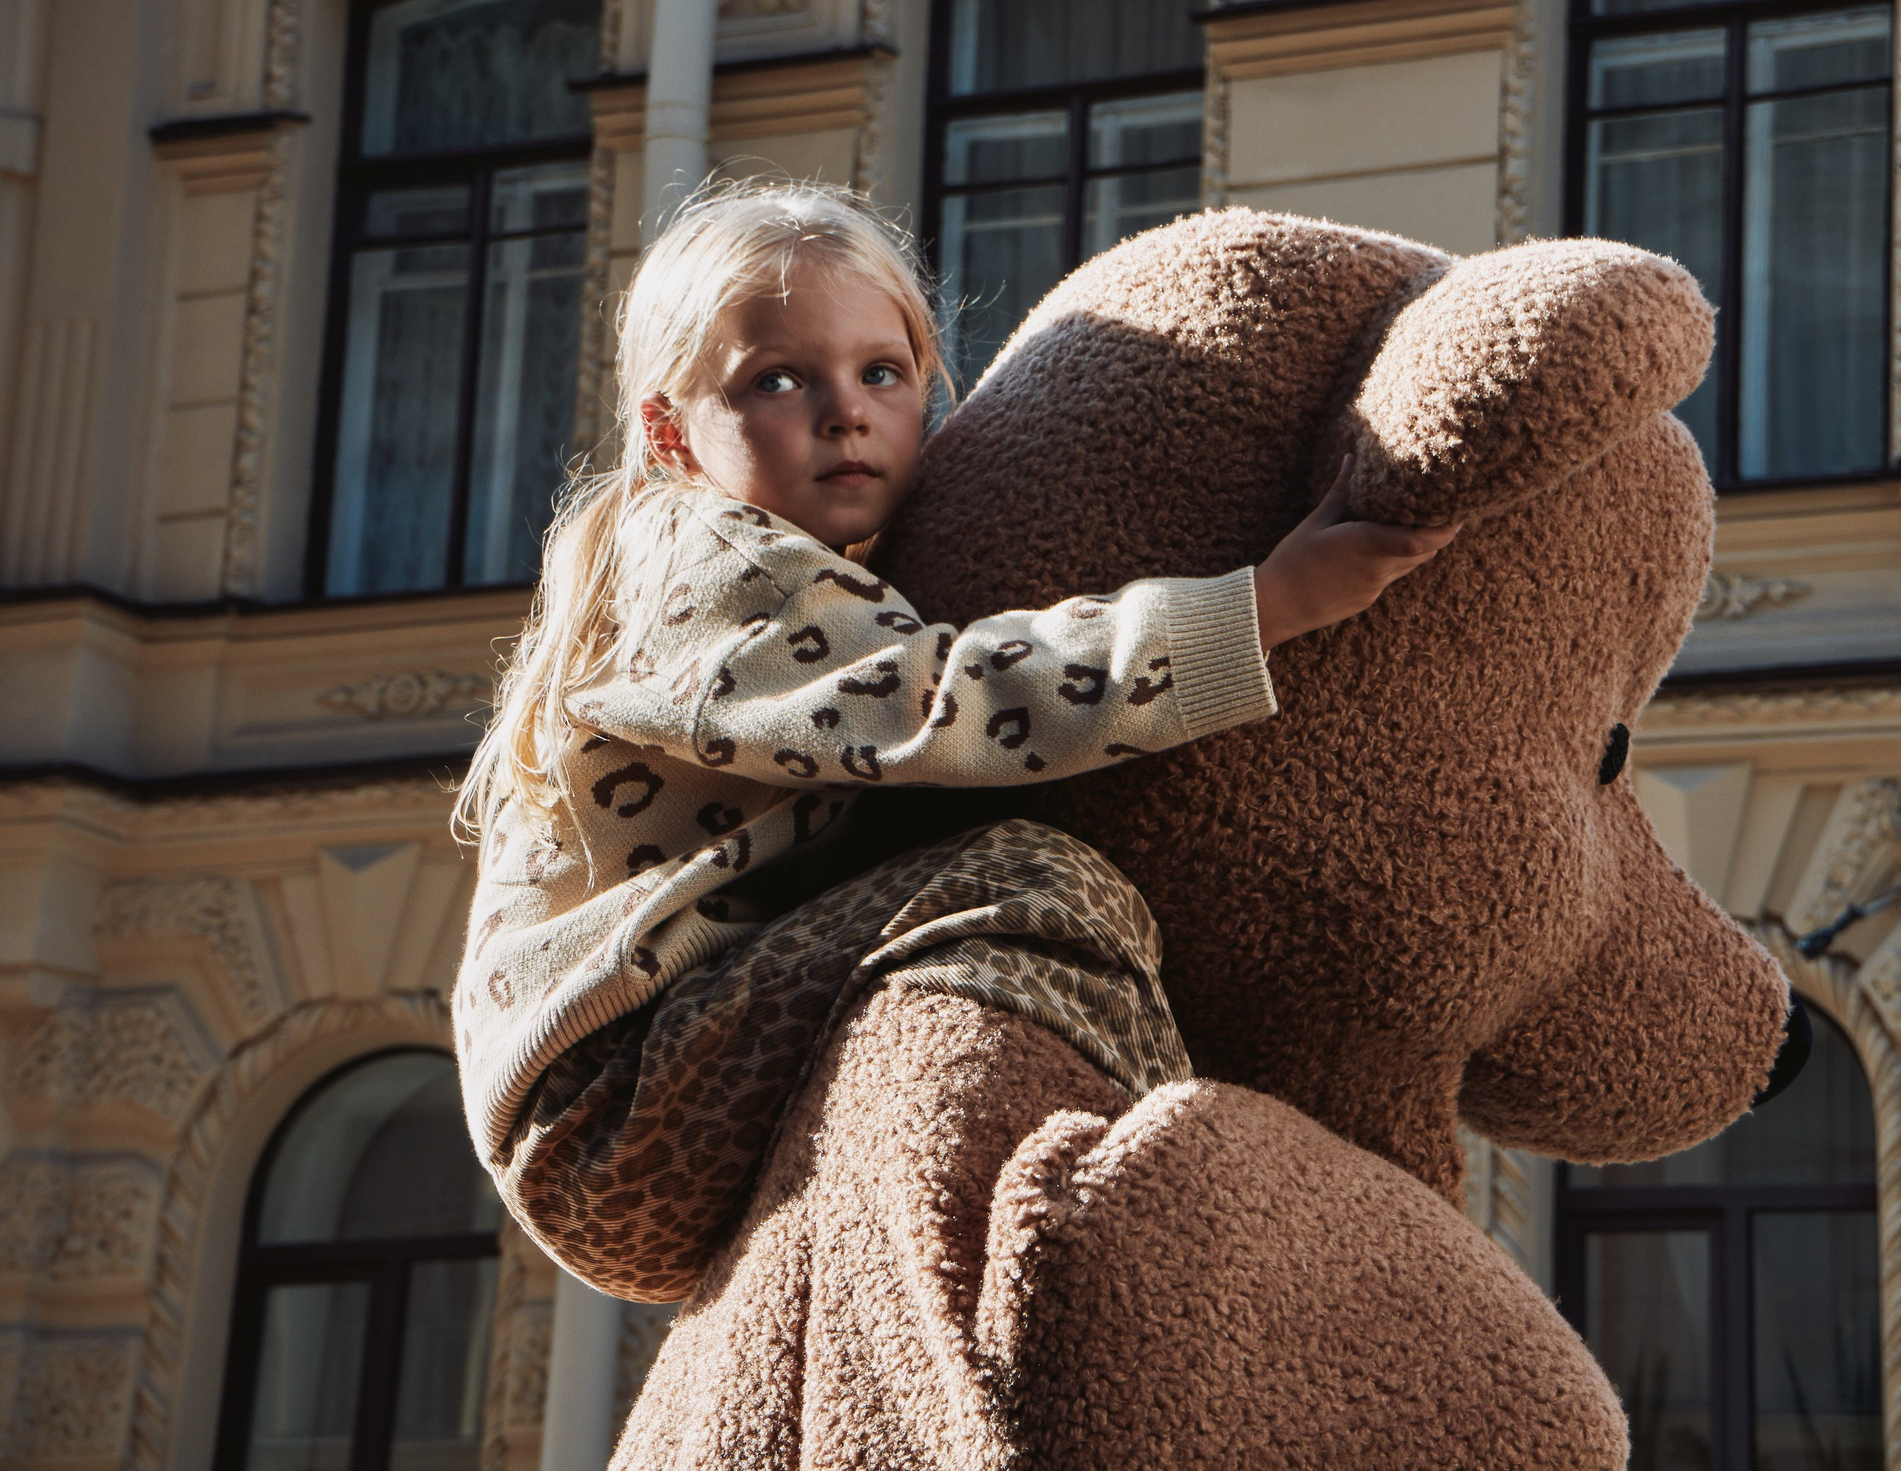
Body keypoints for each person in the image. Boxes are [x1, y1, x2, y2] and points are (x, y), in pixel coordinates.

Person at [448, 179, 1455, 1299]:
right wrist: (1260, 607)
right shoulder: (708, 561)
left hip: (674, 1067)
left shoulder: (826, 558)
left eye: (882, 373)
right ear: (669, 431)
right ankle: (1187, 1215)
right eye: (777, 381)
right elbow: (938, 703)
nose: (846, 411)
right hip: (614, 1106)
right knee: (1035, 879)